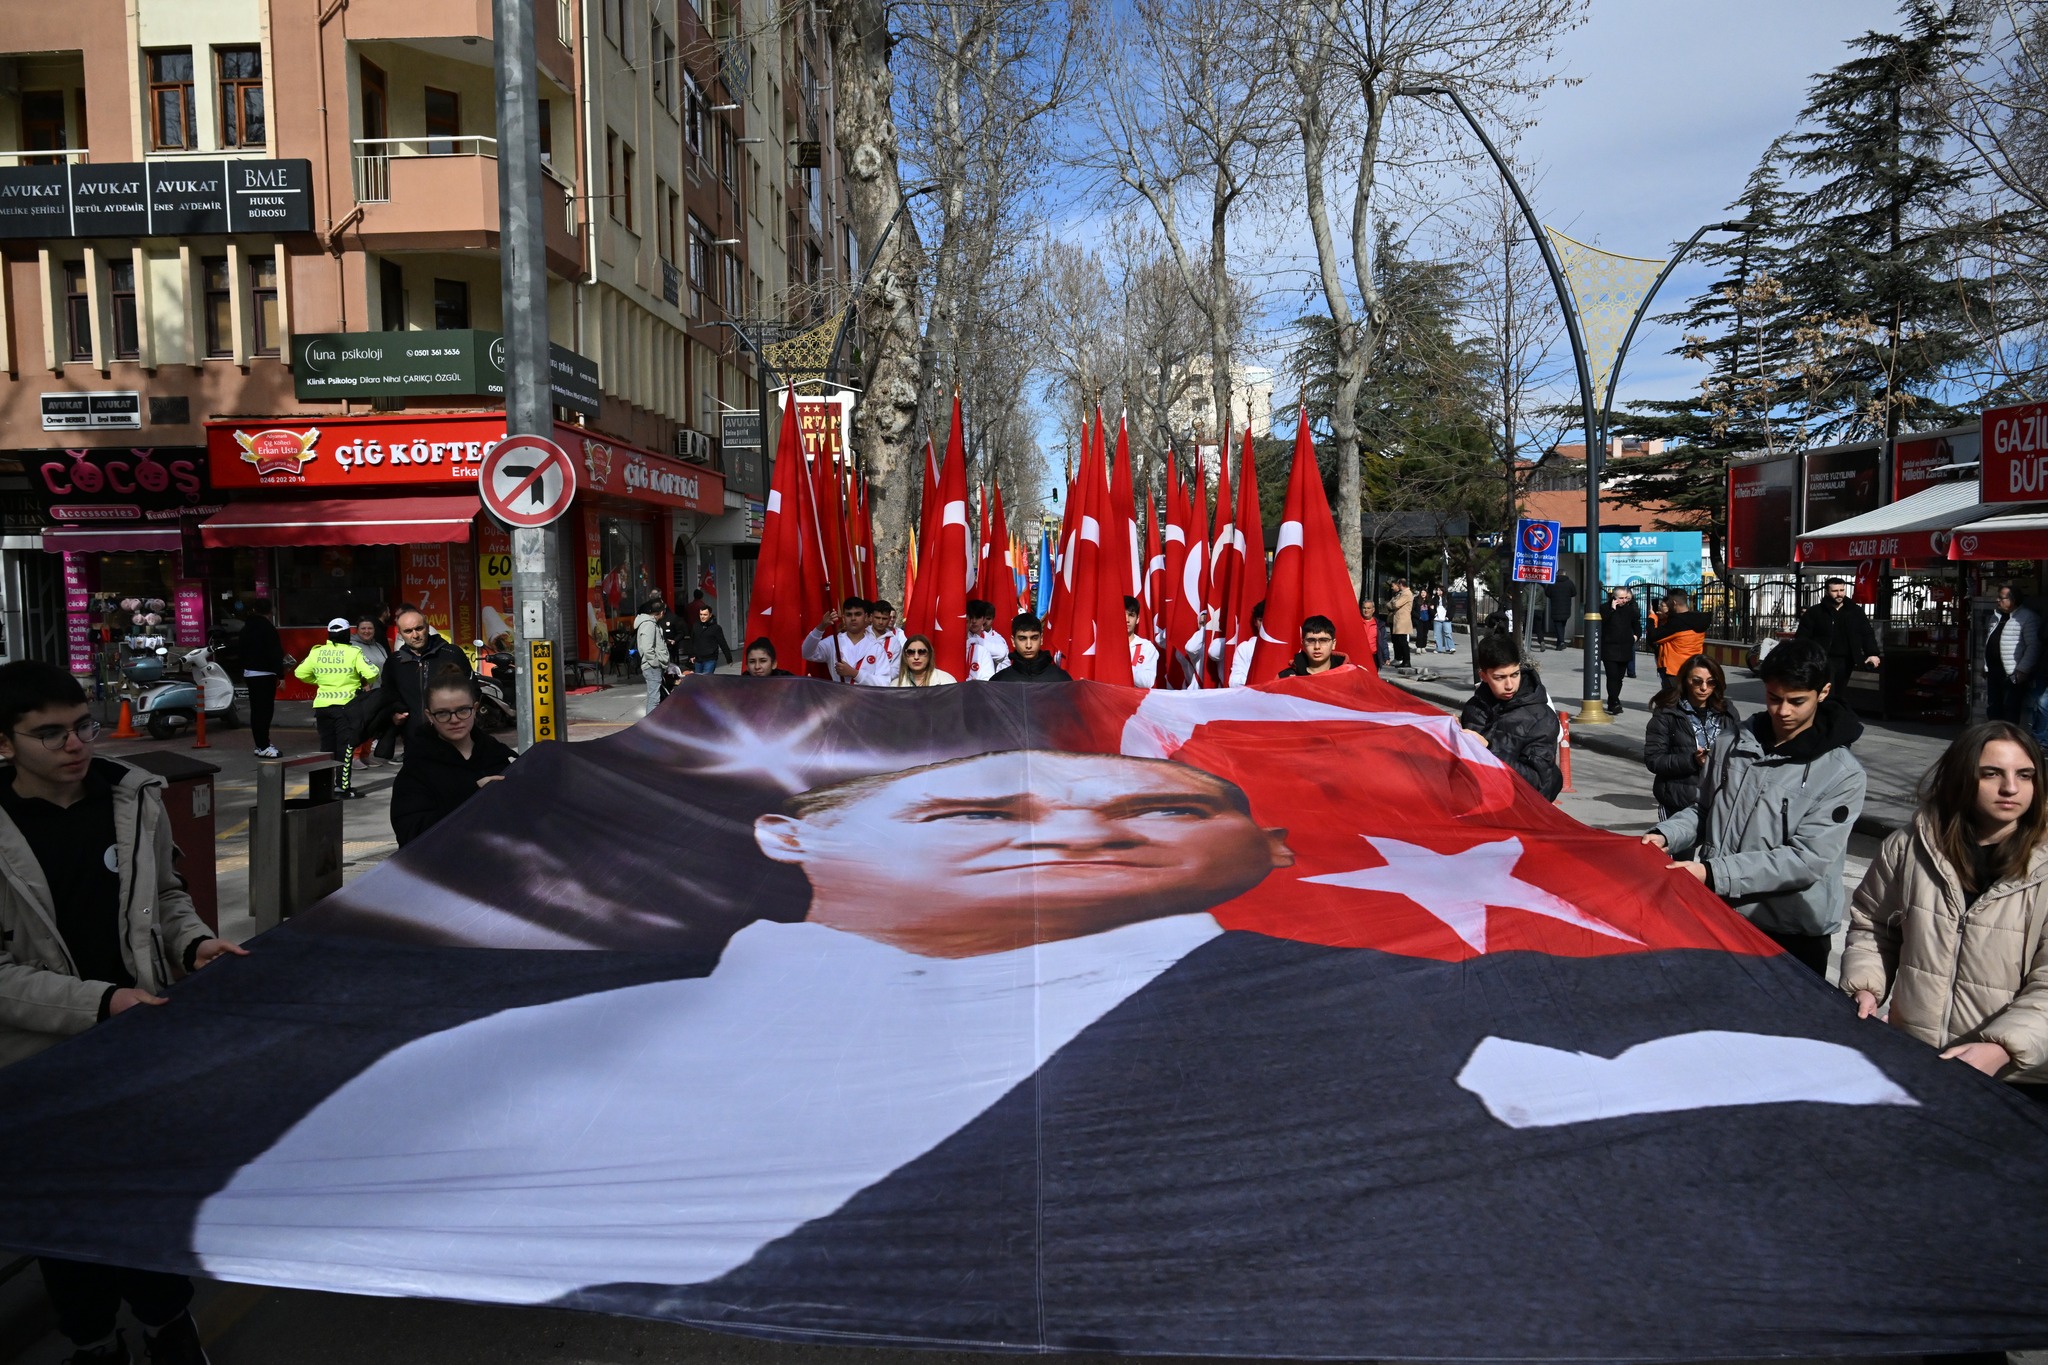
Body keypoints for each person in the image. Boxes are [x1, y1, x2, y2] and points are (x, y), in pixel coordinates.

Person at [0, 660, 245, 1364]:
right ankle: (93, 1340)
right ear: (6, 742)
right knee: (66, 1216)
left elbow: (165, 895)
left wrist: (193, 942)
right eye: (49, 733)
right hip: (40, 1063)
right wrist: (101, 1001)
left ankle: (169, 1322)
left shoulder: (133, 797)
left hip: (137, 1043)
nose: (75, 744)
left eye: (83, 726)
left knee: (147, 1199)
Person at [1840, 721, 2048, 1100]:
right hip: (1915, 1061)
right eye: (1991, 774)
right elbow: (1872, 925)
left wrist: (2003, 1048)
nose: (2011, 788)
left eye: (2025, 775)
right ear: (1961, 777)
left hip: (2013, 1081)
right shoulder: (1907, 847)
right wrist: (1866, 985)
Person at [1642, 638, 1866, 978]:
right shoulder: (1731, 742)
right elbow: (1704, 809)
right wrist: (1665, 834)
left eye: (1797, 701)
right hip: (1721, 915)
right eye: (1775, 698)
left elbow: (1806, 860)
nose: (1784, 711)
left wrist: (1713, 874)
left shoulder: (1841, 772)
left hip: (1789, 931)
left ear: (1823, 693)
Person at [389, 670, 516, 847]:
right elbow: (410, 835)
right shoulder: (417, 767)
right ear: (429, 715)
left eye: (463, 710)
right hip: (444, 869)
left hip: (503, 863)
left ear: (476, 708)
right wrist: (471, 796)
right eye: (442, 713)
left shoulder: (497, 756)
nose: (454, 720)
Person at [1458, 634, 1563, 800]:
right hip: (1477, 805)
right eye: (1499, 677)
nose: (1509, 685)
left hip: (1519, 812)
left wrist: (1488, 750)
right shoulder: (1474, 708)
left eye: (1514, 675)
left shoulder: (1541, 718)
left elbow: (1538, 784)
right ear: (1483, 676)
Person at [1643, 654, 1741, 819]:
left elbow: (1740, 749)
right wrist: (1692, 760)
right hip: (1678, 801)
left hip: (1719, 801)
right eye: (1697, 681)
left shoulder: (1727, 712)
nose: (1704, 687)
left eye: (1710, 682)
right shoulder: (1667, 713)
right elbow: (1654, 759)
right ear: (1685, 681)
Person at [294, 617, 380, 798]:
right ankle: (342, 788)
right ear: (347, 633)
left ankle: (324, 789)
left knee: (326, 748)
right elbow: (372, 672)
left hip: (322, 706)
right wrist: (363, 682)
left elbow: (300, 672)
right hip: (346, 707)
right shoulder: (353, 652)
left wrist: (318, 681)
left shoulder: (317, 652)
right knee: (345, 748)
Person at [377, 609, 470, 762]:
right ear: (400, 633)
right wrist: (394, 713)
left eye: (418, 628)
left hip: (453, 738)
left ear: (427, 627)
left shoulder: (451, 653)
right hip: (414, 740)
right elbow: (388, 695)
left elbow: (472, 691)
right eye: (408, 631)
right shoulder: (394, 662)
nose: (415, 635)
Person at [1795, 577, 1882, 701]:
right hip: (1824, 659)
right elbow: (1803, 636)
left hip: (1847, 659)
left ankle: (1835, 717)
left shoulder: (1855, 611)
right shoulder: (1815, 612)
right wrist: (1805, 657)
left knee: (1841, 694)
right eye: (1835, 591)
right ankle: (1825, 717)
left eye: (1842, 590)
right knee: (1826, 693)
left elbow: (1866, 633)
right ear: (1826, 591)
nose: (1839, 594)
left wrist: (1872, 653)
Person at [1984, 583, 2042, 730]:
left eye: (2001, 598)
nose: (1998, 600)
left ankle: (2008, 737)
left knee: (2010, 707)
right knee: (1993, 706)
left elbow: (2033, 646)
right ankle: (1994, 734)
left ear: (2013, 599)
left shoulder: (2027, 618)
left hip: (2012, 672)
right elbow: (1988, 642)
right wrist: (1985, 666)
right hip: (1993, 670)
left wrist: (2023, 669)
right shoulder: (1995, 617)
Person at [237, 597, 286, 760]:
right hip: (265, 674)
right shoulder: (268, 628)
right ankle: (264, 745)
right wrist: (281, 675)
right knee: (265, 712)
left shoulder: (246, 628)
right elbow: (275, 653)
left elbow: (241, 652)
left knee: (256, 711)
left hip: (250, 673)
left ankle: (260, 744)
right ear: (271, 611)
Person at [804, 598, 889, 685]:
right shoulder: (833, 642)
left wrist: (854, 673)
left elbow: (884, 683)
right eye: (849, 615)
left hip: (866, 697)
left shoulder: (876, 647)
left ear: (866, 617)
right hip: (840, 697)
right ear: (844, 618)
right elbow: (807, 653)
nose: (853, 618)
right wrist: (821, 626)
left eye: (857, 614)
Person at [1645, 588, 1709, 693]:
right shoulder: (1699, 620)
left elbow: (1653, 637)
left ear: (1674, 603)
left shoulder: (1676, 624)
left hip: (1674, 670)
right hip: (1693, 666)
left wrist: (1652, 617)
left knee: (1671, 700)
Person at [1598, 586, 1642, 714]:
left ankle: (1613, 700)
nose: (1623, 600)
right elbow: (1602, 621)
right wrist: (1612, 609)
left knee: (1619, 677)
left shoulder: (1629, 609)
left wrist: (1635, 636)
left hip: (1625, 647)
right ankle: (1615, 702)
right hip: (1610, 647)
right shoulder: (1605, 608)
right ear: (1614, 597)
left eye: (1625, 598)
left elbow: (1636, 624)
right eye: (1620, 598)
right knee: (1612, 676)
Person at [990, 613, 1070, 682]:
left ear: (1041, 639)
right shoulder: (999, 681)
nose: (1028, 645)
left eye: (1034, 638)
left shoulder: (1061, 679)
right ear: (1013, 641)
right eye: (1022, 638)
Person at [634, 595, 671, 714]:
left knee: (656, 698)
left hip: (654, 667)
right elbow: (647, 648)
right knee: (654, 700)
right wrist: (656, 663)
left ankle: (653, 724)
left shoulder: (652, 623)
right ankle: (650, 725)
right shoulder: (648, 624)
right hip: (652, 667)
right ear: (660, 612)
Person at [1278, 615, 1348, 678]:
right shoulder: (1286, 677)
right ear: (1303, 644)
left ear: (1333, 644)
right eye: (1311, 641)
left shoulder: (1349, 676)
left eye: (1323, 640)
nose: (1317, 647)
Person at [964, 600, 1011, 682]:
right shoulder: (960, 638)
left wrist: (975, 640)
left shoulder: (995, 639)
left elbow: (1001, 654)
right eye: (971, 618)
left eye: (978, 617)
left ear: (983, 619)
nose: (974, 621)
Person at [682, 600, 732, 676]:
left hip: (710, 658)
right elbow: (692, 641)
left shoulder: (716, 628)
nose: (702, 616)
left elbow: (722, 643)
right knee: (698, 680)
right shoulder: (696, 626)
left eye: (705, 615)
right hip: (698, 659)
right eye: (701, 614)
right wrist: (691, 655)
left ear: (710, 615)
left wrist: (728, 658)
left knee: (706, 679)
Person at [891, 635, 956, 687]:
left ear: (930, 654)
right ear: (905, 656)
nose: (916, 657)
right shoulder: (895, 686)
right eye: (910, 652)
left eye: (922, 652)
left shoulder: (947, 682)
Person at [1125, 597, 1159, 689]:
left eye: (1131, 615)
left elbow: (1148, 682)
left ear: (1138, 619)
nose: (1127, 619)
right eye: (1122, 614)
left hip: (1134, 701)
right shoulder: (1106, 646)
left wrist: (1122, 666)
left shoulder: (1147, 647)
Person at [869, 600, 906, 684]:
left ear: (889, 619)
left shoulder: (894, 642)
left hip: (883, 687)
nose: (880, 622)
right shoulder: (862, 635)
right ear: (871, 617)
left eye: (884, 618)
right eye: (877, 618)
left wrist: (874, 678)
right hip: (860, 686)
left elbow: (896, 670)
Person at [1228, 602, 1265, 687]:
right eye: (1261, 620)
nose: (1264, 625)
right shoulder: (1246, 647)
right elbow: (1234, 682)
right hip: (1254, 697)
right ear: (1255, 622)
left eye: (1268, 620)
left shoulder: (1285, 647)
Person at [1544, 572, 1577, 652]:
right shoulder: (1569, 583)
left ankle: (1561, 642)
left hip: (1555, 607)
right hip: (1566, 608)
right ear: (1565, 574)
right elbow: (1574, 593)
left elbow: (1547, 593)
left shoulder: (1553, 583)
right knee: (1562, 625)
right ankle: (1560, 643)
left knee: (1558, 626)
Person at [1387, 580, 1414, 669]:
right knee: (1399, 641)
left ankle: (1407, 661)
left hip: (1403, 621)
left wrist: (1393, 603)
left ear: (1401, 584)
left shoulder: (1406, 593)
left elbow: (1396, 604)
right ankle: (1403, 660)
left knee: (1403, 642)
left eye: (1398, 584)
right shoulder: (1401, 593)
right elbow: (1390, 604)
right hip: (1398, 620)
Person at [1432, 588, 1455, 654]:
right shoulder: (1435, 598)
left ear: (1443, 591)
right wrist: (1434, 613)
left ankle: (1451, 647)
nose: (1437, 591)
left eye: (1439, 590)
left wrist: (1449, 616)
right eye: (1437, 590)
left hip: (1446, 619)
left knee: (1448, 633)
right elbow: (1431, 606)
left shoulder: (1448, 598)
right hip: (1437, 619)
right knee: (1437, 635)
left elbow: (1453, 608)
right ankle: (1439, 648)